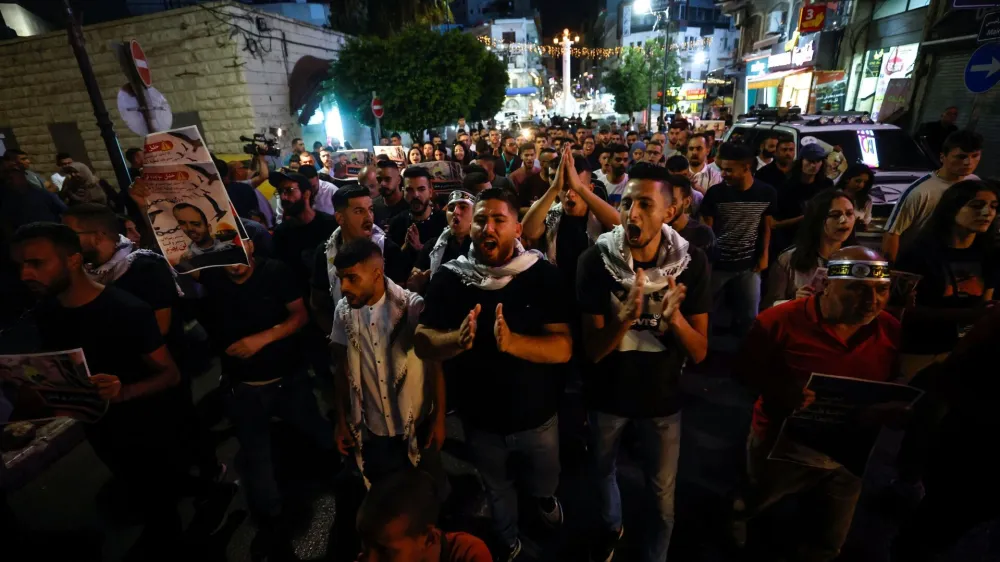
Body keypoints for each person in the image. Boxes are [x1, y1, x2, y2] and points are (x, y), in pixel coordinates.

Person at [13, 222, 219, 558]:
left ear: (73, 260)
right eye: (21, 265)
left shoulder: (126, 310)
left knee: (159, 502)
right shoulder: (47, 312)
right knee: (138, 485)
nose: (25, 274)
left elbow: (170, 375)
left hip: (146, 425)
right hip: (98, 425)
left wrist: (122, 392)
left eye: (37, 263)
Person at [414, 188, 573, 560]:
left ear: (517, 228)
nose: (488, 228)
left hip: (537, 416)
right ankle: (508, 540)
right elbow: (422, 341)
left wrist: (515, 343)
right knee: (496, 488)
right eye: (482, 220)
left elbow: (563, 347)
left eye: (499, 220)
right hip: (480, 420)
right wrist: (454, 339)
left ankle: (544, 500)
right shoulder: (451, 278)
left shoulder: (542, 275)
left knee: (545, 478)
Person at [731, 246, 901, 562]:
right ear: (826, 284)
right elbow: (743, 371)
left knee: (828, 540)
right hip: (782, 448)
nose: (872, 301)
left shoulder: (890, 328)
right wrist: (780, 390)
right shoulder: (778, 321)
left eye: (882, 290)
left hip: (848, 456)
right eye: (857, 289)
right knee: (758, 514)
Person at [576, 164, 710, 562]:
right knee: (603, 472)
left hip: (662, 400)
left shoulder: (692, 263)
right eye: (626, 202)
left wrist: (676, 320)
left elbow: (700, 352)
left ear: (670, 211)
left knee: (662, 493)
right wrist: (624, 319)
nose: (631, 213)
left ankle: (657, 554)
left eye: (645, 204)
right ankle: (611, 528)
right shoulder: (594, 260)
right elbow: (592, 351)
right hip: (607, 396)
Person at [196, 236, 334, 559]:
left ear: (249, 245)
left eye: (237, 249)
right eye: (225, 253)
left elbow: (299, 315)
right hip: (243, 387)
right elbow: (174, 256)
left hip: (288, 379)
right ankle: (271, 520)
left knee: (314, 427)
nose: (233, 262)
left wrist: (261, 339)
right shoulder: (213, 276)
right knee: (257, 455)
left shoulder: (275, 272)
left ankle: (339, 473)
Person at [331, 238, 446, 491]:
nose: (344, 287)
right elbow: (342, 368)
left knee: (429, 490)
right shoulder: (343, 312)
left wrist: (439, 418)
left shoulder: (412, 307)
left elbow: (434, 366)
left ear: (376, 274)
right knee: (390, 493)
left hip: (417, 422)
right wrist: (342, 419)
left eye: (351, 278)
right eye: (340, 278)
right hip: (376, 428)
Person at [895, 180, 998, 377]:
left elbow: (985, 302)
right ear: (952, 209)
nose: (987, 213)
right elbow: (900, 311)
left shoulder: (989, 255)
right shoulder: (918, 254)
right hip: (922, 351)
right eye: (976, 205)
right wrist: (968, 315)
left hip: (968, 351)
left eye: (993, 207)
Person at [701, 143, 777, 338]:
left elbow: (766, 226)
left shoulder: (766, 193)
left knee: (750, 317)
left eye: (729, 170)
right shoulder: (715, 193)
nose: (723, 174)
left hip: (748, 266)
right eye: (722, 169)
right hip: (717, 265)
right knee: (705, 314)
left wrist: (764, 255)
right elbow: (706, 230)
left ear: (746, 168)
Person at [312, 186, 409, 334]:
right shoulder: (324, 252)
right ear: (340, 218)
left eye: (370, 210)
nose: (368, 217)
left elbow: (401, 305)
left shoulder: (388, 250)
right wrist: (336, 335)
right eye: (359, 211)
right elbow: (319, 303)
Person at [522, 147, 620, 290]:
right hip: (558, 290)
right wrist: (555, 188)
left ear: (590, 189)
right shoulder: (551, 213)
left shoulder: (599, 215)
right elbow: (528, 231)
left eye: (575, 187)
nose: (570, 194)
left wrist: (579, 187)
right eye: (565, 187)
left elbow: (620, 227)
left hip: (594, 290)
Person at [883, 130, 983, 262]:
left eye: (975, 156)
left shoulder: (975, 183)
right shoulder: (920, 191)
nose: (968, 162)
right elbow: (892, 234)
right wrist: (890, 269)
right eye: (961, 157)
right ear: (942, 157)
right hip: (919, 261)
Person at [357, 468, 492, 562]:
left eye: (384, 551)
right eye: (365, 547)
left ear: (429, 539)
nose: (369, 560)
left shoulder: (468, 554)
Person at [763, 190, 857, 309]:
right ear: (818, 219)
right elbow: (770, 306)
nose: (844, 220)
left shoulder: (860, 258)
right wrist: (794, 301)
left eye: (849, 213)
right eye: (835, 215)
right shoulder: (788, 260)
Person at [271, 171, 339, 293]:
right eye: (280, 192)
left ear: (306, 194)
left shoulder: (331, 226)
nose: (283, 197)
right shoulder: (281, 234)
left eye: (289, 190)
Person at [408, 190, 475, 295]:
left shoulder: (482, 247)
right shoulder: (433, 246)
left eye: (463, 207)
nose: (455, 212)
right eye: (451, 208)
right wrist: (416, 284)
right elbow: (414, 280)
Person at [772, 143, 835, 254]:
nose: (814, 165)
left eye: (818, 161)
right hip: (789, 240)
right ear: (801, 161)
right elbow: (775, 223)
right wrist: (805, 217)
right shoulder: (785, 186)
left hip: (818, 239)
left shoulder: (826, 185)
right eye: (810, 161)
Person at [389, 167, 448, 265]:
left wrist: (421, 248)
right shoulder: (397, 223)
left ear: (430, 192)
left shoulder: (445, 222)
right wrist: (405, 246)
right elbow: (391, 263)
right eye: (410, 190)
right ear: (403, 193)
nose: (415, 195)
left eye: (421, 189)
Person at [171, 202, 240, 272]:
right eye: (182, 223)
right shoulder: (186, 258)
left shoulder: (231, 248)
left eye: (196, 224)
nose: (189, 228)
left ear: (209, 227)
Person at [669, 174, 715, 257]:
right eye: (663, 200)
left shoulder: (703, 233)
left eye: (673, 201)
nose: (666, 206)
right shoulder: (656, 231)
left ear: (686, 202)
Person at [834, 164, 875, 230]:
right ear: (847, 179)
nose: (861, 185)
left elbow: (867, 218)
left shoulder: (867, 199)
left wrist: (863, 223)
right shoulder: (834, 196)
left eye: (865, 182)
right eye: (858, 181)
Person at [373, 159, 408, 231]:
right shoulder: (373, 206)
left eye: (387, 179)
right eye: (379, 179)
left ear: (399, 180)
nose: (382, 183)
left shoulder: (410, 204)